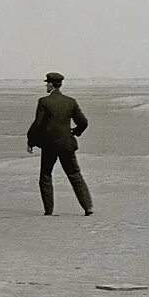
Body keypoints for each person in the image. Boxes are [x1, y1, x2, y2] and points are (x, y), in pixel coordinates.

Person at [27, 72, 93, 216]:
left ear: (51, 84)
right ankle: (88, 208)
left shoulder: (44, 101)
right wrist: (75, 132)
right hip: (67, 144)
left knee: (45, 176)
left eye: (47, 83)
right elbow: (83, 122)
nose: (46, 85)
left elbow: (37, 124)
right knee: (75, 175)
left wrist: (30, 140)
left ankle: (49, 211)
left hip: (49, 145)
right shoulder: (71, 101)